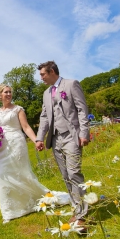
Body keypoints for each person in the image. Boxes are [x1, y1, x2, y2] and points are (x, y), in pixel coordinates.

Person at [0, 83, 70, 223]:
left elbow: (26, 127)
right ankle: (10, 211)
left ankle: (34, 199)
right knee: (4, 175)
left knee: (21, 173)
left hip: (16, 143)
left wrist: (36, 140)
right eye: (6, 92)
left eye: (10, 92)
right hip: (1, 148)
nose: (9, 94)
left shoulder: (18, 109)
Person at [35, 61, 90, 226]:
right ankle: (76, 208)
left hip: (71, 136)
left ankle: (81, 215)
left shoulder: (71, 84)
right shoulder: (46, 93)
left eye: (43, 74)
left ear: (52, 71)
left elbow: (82, 109)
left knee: (74, 173)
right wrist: (40, 138)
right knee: (66, 176)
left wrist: (84, 133)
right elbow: (44, 117)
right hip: (55, 139)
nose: (41, 78)